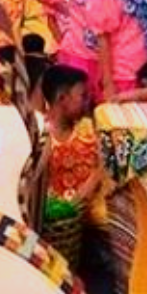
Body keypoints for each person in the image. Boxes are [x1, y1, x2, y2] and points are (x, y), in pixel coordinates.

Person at [41, 65, 106, 232]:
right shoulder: (43, 139)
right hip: (62, 225)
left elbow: (103, 167)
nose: (87, 102)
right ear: (62, 99)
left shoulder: (89, 128)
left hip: (97, 215)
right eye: (82, 96)